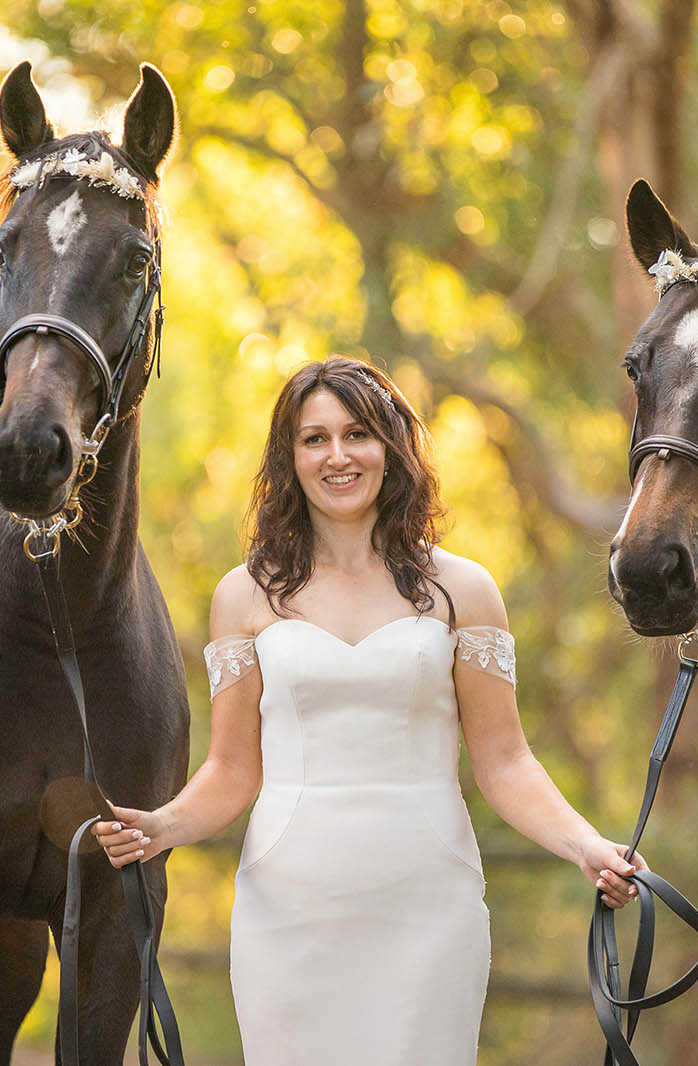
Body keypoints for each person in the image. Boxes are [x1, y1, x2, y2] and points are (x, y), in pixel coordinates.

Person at [95, 356, 646, 1065]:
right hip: (288, 909)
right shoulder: (243, 595)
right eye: (314, 439)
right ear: (289, 458)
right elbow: (232, 770)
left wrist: (587, 846)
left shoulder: (464, 591)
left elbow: (506, 761)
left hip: (427, 903)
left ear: (391, 447)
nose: (337, 456)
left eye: (356, 434)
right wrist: (160, 827)